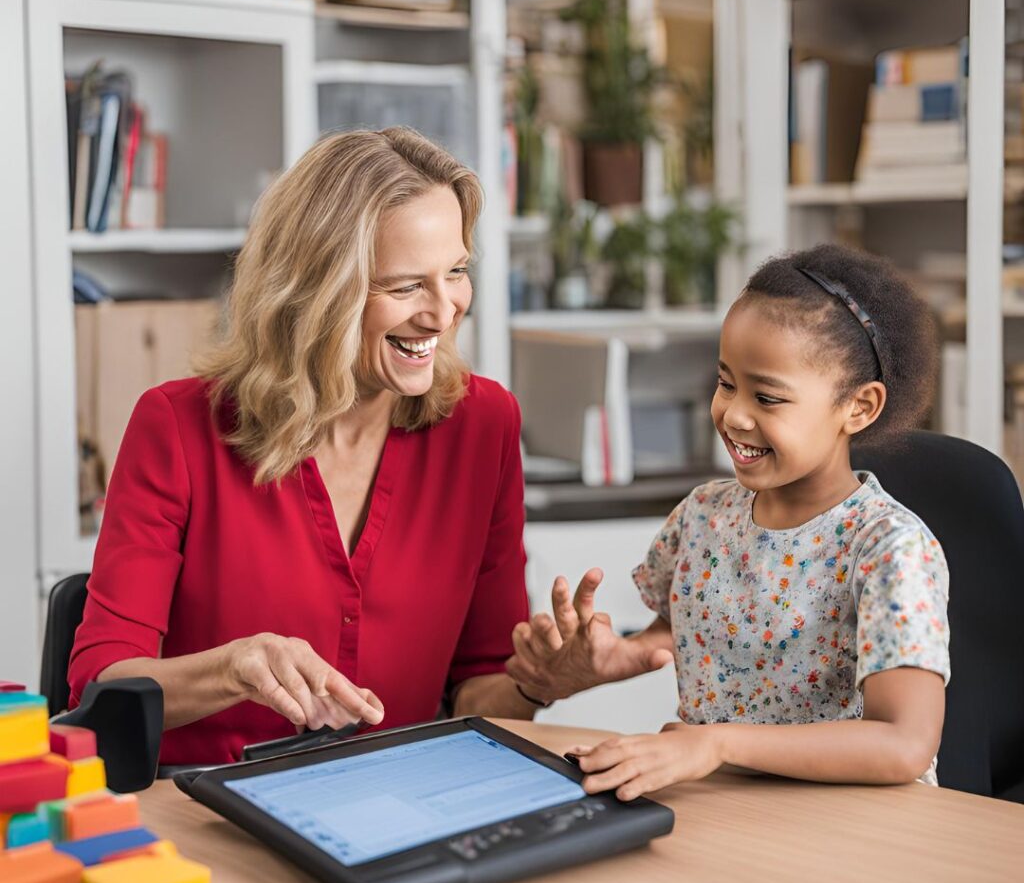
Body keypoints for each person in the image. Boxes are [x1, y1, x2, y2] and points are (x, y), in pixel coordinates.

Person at [69, 127, 539, 766]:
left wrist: (545, 678)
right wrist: (236, 667)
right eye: (405, 287)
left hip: (397, 803)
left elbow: (481, 691)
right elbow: (101, 688)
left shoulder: (484, 426)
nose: (444, 310)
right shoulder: (177, 427)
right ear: (321, 291)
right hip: (200, 809)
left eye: (455, 272)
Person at [507, 243, 951, 797]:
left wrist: (714, 742)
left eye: (767, 397)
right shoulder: (702, 516)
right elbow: (692, 628)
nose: (734, 414)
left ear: (858, 407)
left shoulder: (889, 548)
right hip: (730, 806)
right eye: (725, 383)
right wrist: (604, 660)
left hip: (853, 824)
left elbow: (905, 743)